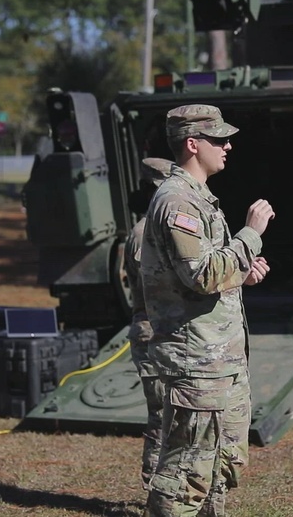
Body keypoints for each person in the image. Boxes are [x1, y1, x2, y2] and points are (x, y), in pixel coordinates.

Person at [140, 104, 274, 516]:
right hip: (197, 360)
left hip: (221, 358)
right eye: (218, 139)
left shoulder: (200, 198)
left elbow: (210, 272)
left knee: (221, 465)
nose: (228, 145)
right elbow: (200, 275)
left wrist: (241, 272)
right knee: (186, 474)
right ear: (192, 144)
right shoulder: (178, 201)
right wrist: (250, 234)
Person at [124, 157, 174, 490]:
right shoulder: (146, 233)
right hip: (153, 332)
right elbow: (154, 288)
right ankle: (155, 486)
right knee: (162, 415)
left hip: (164, 331)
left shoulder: (154, 229)